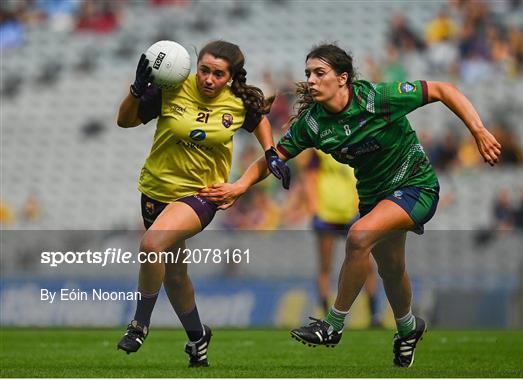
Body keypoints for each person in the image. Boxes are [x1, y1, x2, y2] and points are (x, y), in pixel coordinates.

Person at [198, 44, 501, 368]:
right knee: (391, 269)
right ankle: (408, 328)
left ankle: (333, 324)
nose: (311, 80)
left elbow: (443, 89)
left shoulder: (376, 99)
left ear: (343, 78)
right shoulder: (313, 124)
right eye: (308, 74)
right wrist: (240, 185)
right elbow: (275, 157)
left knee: (358, 236)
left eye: (319, 73)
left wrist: (478, 130)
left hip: (415, 185)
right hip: (374, 197)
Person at [115, 40, 290, 367]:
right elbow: (124, 121)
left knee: (152, 246)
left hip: (201, 195)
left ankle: (139, 324)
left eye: (218, 74)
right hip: (155, 192)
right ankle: (198, 339)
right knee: (176, 276)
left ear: (231, 77)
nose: (209, 79)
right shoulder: (170, 89)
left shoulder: (239, 102)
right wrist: (136, 91)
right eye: (204, 70)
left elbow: (261, 122)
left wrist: (269, 153)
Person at [303, 149, 378, 324]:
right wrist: (314, 208)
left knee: (368, 264)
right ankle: (325, 316)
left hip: (352, 213)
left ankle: (373, 315)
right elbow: (309, 178)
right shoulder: (320, 150)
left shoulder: (359, 143)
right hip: (326, 214)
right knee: (325, 266)